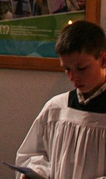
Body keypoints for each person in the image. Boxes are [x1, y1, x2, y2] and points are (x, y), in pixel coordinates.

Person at [15, 20, 106, 179]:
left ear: (103, 60)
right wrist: (36, 172)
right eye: (66, 69)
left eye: (81, 68)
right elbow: (34, 154)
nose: (73, 77)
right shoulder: (56, 108)